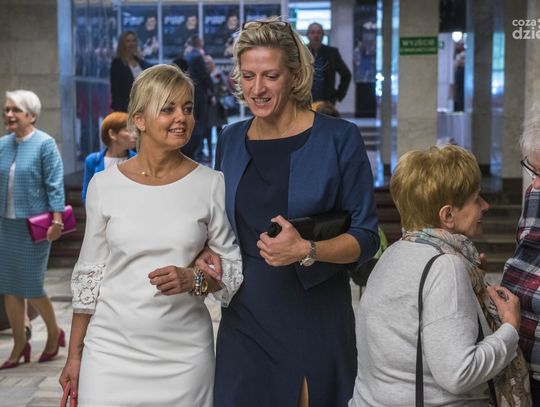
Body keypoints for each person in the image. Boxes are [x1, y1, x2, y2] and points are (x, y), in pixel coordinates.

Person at [196, 18, 379, 407]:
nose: (257, 89)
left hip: (313, 314)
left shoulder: (339, 138)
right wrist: (206, 248)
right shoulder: (230, 139)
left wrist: (307, 250)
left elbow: (366, 237)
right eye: (248, 76)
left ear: (294, 76)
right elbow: (220, 222)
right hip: (244, 314)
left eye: (270, 76)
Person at [59, 64, 243, 406]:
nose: (182, 118)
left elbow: (231, 271)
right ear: (139, 120)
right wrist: (74, 356)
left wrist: (194, 280)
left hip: (184, 358)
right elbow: (89, 275)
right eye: (168, 109)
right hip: (110, 352)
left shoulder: (210, 183)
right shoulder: (104, 185)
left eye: (188, 108)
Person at [349, 145, 528, 406]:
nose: (485, 205)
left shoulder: (395, 252)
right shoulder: (445, 265)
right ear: (447, 215)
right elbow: (459, 373)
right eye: (476, 199)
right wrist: (510, 328)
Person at [0, 90, 66, 369]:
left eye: (15, 110)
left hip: (35, 227)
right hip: (6, 225)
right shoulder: (3, 144)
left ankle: (54, 332)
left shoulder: (44, 144)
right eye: (6, 110)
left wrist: (57, 220)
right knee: (8, 288)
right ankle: (19, 344)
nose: (9, 115)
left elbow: (54, 184)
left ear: (32, 115)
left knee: (32, 285)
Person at [502, 110, 540, 404]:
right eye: (534, 170)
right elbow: (523, 258)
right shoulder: (534, 195)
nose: (535, 185)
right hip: (523, 363)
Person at [81, 112, 136, 204]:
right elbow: (87, 197)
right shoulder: (92, 161)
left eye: (134, 130)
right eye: (128, 130)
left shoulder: (138, 159)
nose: (134, 135)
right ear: (112, 134)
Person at [183, 34, 213, 161]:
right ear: (199, 43)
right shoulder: (197, 56)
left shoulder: (187, 55)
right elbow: (203, 76)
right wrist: (212, 90)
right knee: (200, 124)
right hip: (199, 96)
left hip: (190, 93)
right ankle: (199, 152)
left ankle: (195, 151)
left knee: (193, 122)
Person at [307, 22, 352, 104]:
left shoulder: (332, 53)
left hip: (326, 101)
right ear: (307, 35)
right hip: (305, 100)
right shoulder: (301, 52)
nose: (316, 35)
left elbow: (346, 74)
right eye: (312, 32)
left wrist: (338, 95)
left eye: (318, 32)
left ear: (323, 35)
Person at [109, 31, 151, 112]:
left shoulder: (140, 62)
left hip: (144, 108)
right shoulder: (117, 63)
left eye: (134, 41)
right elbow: (116, 91)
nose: (132, 43)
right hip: (126, 109)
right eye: (128, 41)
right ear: (122, 44)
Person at [204, 55, 229, 159]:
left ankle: (220, 153)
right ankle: (210, 153)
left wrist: (216, 97)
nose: (207, 65)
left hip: (218, 106)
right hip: (209, 106)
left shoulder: (218, 73)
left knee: (219, 130)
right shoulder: (205, 74)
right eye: (205, 63)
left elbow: (224, 88)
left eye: (208, 63)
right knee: (208, 131)